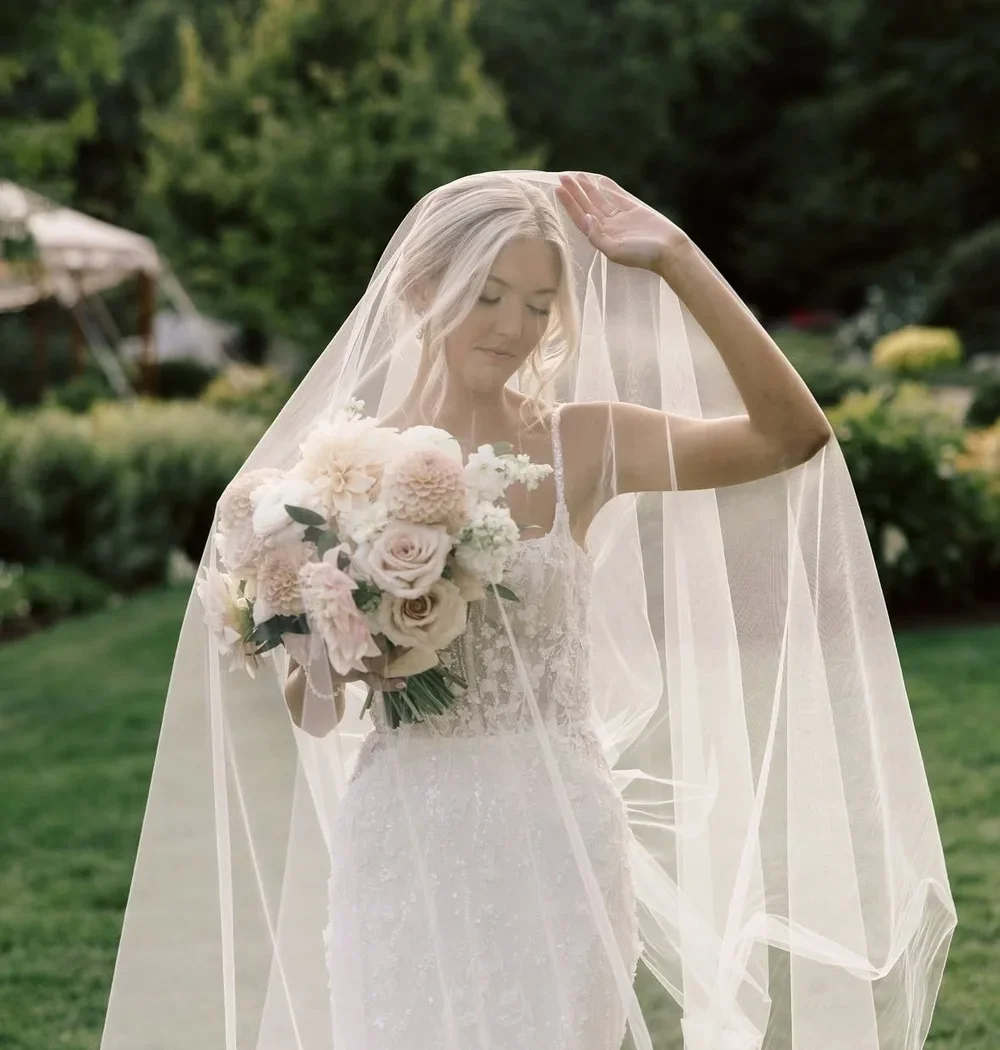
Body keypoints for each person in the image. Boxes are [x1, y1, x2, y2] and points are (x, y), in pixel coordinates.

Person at [98, 171, 956, 1050]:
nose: (515, 327)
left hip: (556, 834)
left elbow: (790, 435)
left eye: (540, 305)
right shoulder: (336, 475)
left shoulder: (579, 442)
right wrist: (340, 641)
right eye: (490, 295)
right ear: (421, 289)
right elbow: (314, 716)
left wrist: (676, 258)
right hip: (404, 835)